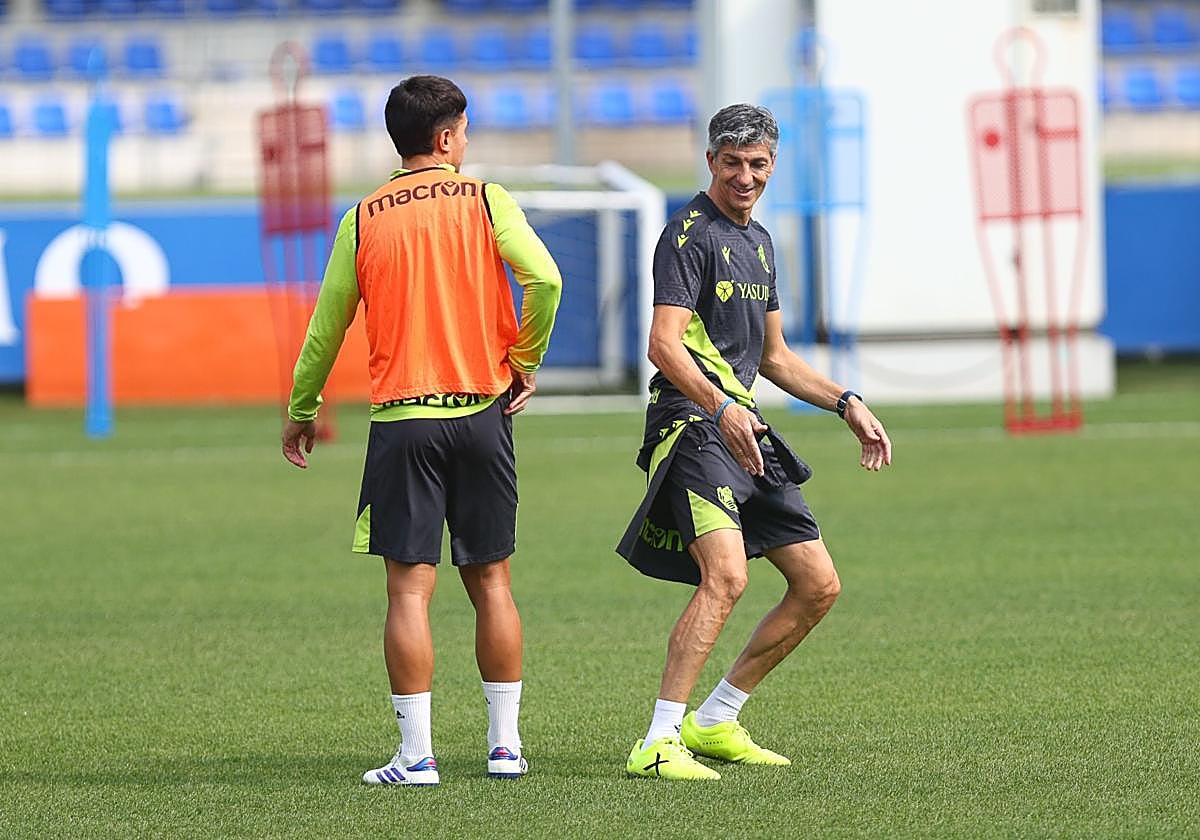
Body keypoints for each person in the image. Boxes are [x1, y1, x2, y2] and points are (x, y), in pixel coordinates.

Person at [280, 75, 562, 786]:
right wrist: (524, 361)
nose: (466, 143)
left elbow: (326, 326)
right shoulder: (485, 199)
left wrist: (303, 407)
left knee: (409, 592)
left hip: (404, 421)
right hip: (482, 412)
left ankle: (417, 757)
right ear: (444, 138)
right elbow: (546, 280)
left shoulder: (362, 218)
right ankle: (504, 748)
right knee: (492, 581)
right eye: (463, 132)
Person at [616, 103, 892, 780]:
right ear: (711, 160)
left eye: (758, 164)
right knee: (728, 576)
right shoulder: (686, 236)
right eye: (733, 163)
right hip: (691, 424)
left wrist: (846, 402)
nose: (746, 177)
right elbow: (663, 344)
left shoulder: (761, 243)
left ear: (773, 164)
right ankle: (658, 741)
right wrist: (719, 406)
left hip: (744, 427)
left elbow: (775, 357)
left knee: (818, 585)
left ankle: (715, 719)